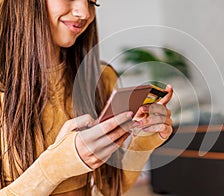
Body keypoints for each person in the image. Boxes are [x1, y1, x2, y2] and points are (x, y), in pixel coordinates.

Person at [0, 0, 173, 195]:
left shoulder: (100, 77)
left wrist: (143, 140)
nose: (84, 13)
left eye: (92, 2)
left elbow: (110, 189)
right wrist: (55, 166)